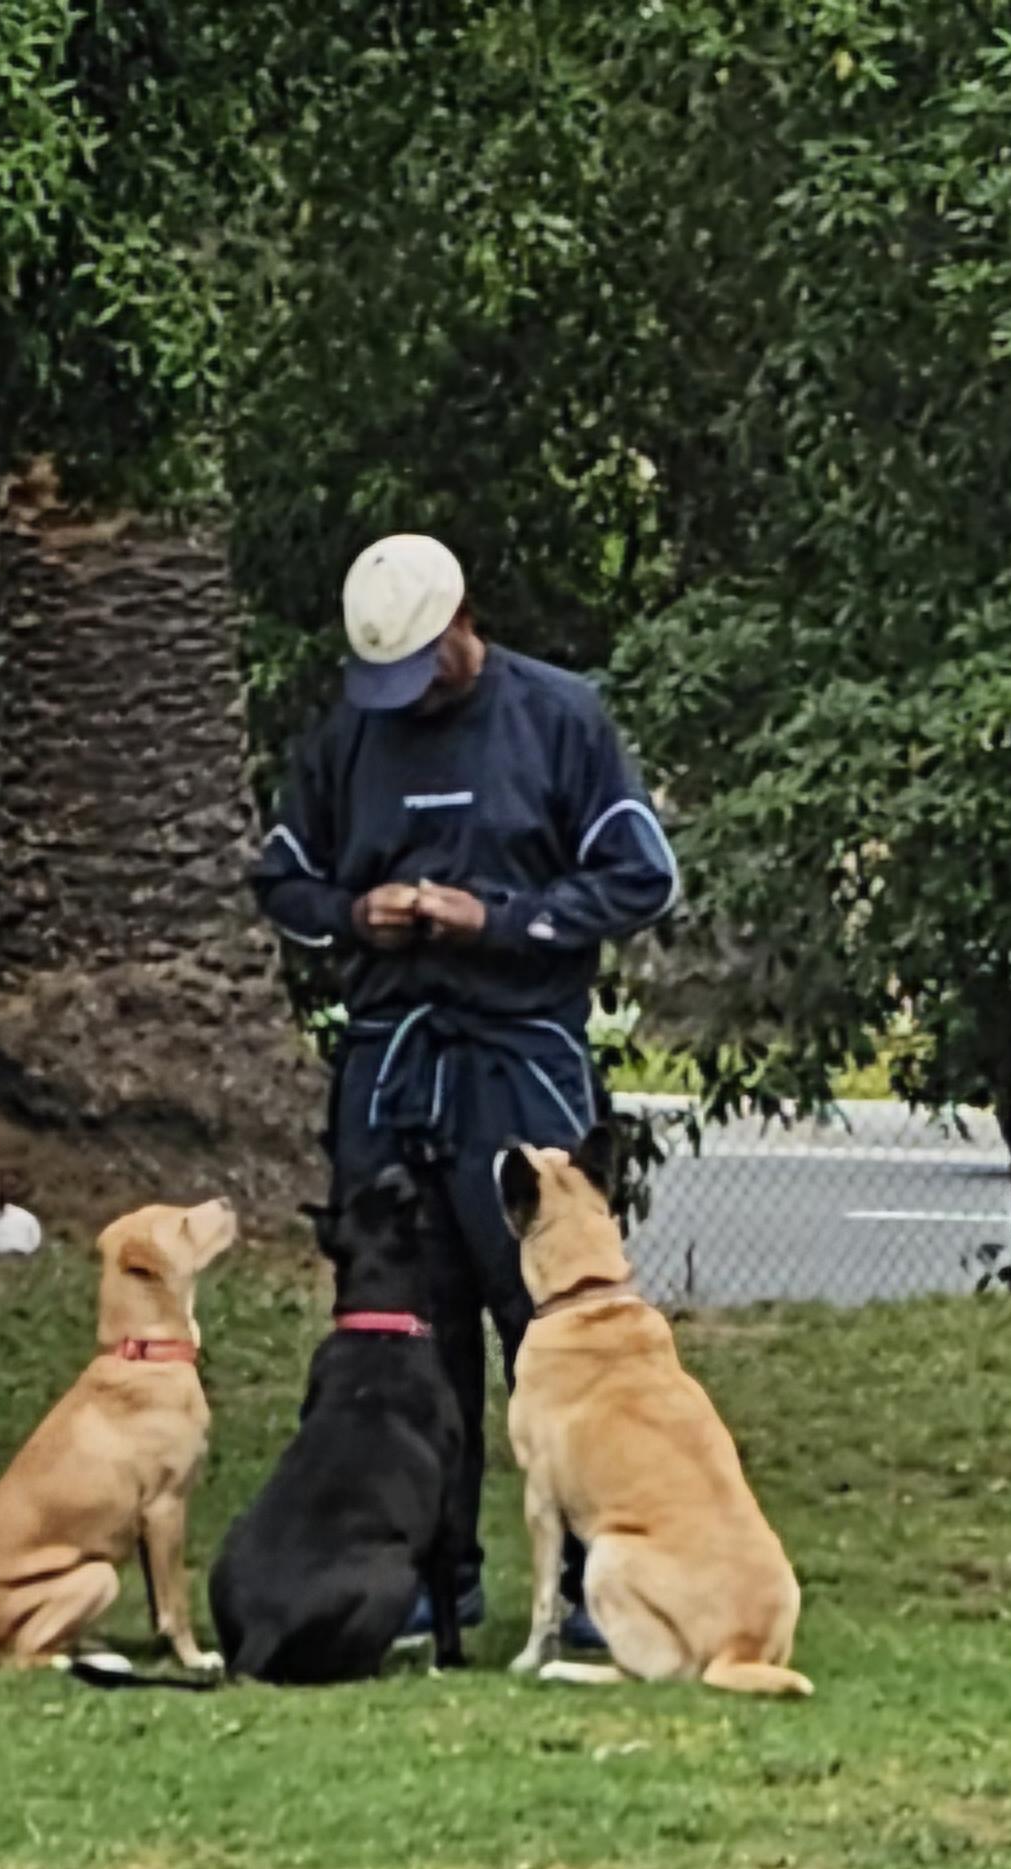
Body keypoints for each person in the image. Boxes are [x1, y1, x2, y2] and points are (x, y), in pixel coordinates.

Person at [252, 533, 678, 1649]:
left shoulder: (560, 716)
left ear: (459, 624)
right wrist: (359, 914)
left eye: (421, 670)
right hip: (393, 1062)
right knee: (408, 1327)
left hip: (519, 1057)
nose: (407, 700)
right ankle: (432, 1580)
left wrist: (495, 918)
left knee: (553, 1321)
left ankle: (595, 1585)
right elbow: (284, 879)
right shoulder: (348, 733)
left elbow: (639, 875)